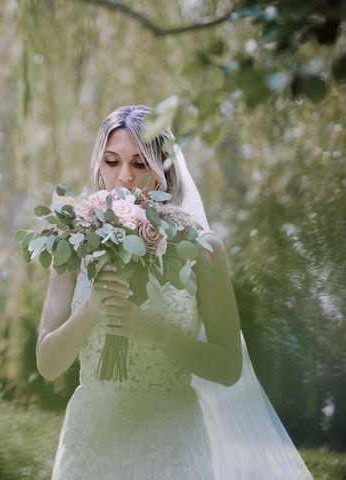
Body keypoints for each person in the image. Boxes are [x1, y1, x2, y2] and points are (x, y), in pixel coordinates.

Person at [36, 105, 315, 479]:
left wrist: (152, 330)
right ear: (98, 165)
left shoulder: (201, 248)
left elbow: (229, 367)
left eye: (140, 164)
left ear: (164, 168)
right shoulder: (73, 243)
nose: (124, 177)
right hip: (93, 437)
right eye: (112, 161)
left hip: (171, 438)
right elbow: (48, 364)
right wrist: (91, 307)